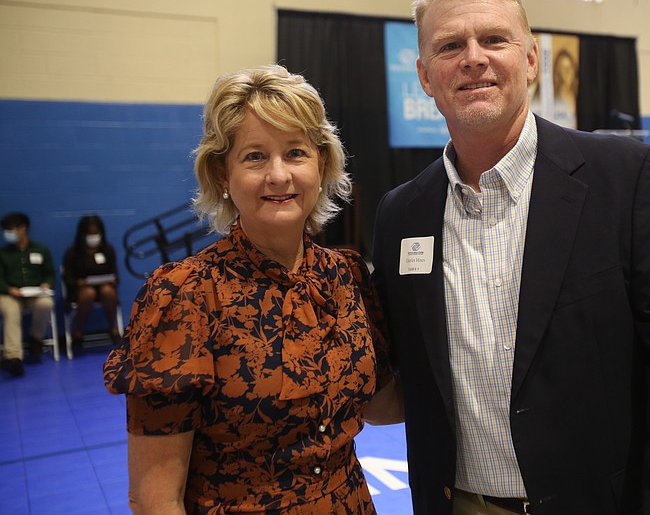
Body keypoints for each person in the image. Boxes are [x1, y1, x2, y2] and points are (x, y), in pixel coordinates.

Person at [370, 0, 650, 515]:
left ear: (532, 58)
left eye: (494, 39)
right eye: (449, 46)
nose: (474, 59)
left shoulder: (627, 179)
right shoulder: (400, 215)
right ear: (424, 75)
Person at [104, 64, 401, 513]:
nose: (278, 175)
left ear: (322, 165)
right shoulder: (185, 296)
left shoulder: (347, 278)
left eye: (296, 152)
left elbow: (380, 406)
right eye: (255, 156)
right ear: (223, 175)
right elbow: (154, 499)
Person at [0, 212, 56, 376]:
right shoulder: (3, 253)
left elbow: (49, 273)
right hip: (9, 294)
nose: (7, 234)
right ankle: (13, 357)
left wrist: (46, 284)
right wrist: (8, 289)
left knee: (46, 303)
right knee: (11, 311)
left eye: (11, 230)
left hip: (34, 293)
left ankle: (35, 339)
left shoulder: (41, 249)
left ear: (23, 229)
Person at [62, 214, 121, 353]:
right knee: (89, 293)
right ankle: (78, 330)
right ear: (83, 234)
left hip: (104, 289)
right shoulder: (73, 253)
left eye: (96, 233)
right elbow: (67, 278)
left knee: (108, 291)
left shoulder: (108, 250)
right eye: (90, 233)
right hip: (80, 291)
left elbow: (116, 275)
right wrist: (78, 282)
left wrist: (112, 280)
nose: (93, 236)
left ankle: (112, 328)